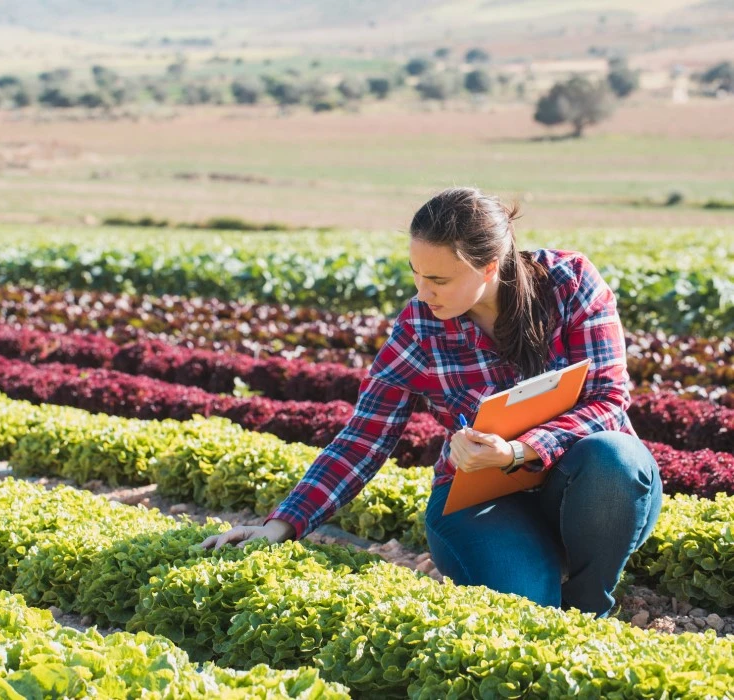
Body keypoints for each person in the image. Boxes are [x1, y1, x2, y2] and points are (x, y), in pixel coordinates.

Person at [201, 186, 663, 619]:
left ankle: (588, 607)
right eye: (416, 274)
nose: (423, 292)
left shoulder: (569, 284)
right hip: (481, 500)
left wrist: (520, 450)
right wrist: (281, 525)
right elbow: (363, 438)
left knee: (615, 456)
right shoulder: (420, 328)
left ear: (489, 266)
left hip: (589, 487)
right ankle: (532, 567)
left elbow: (607, 399)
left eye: (438, 278)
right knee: (528, 607)